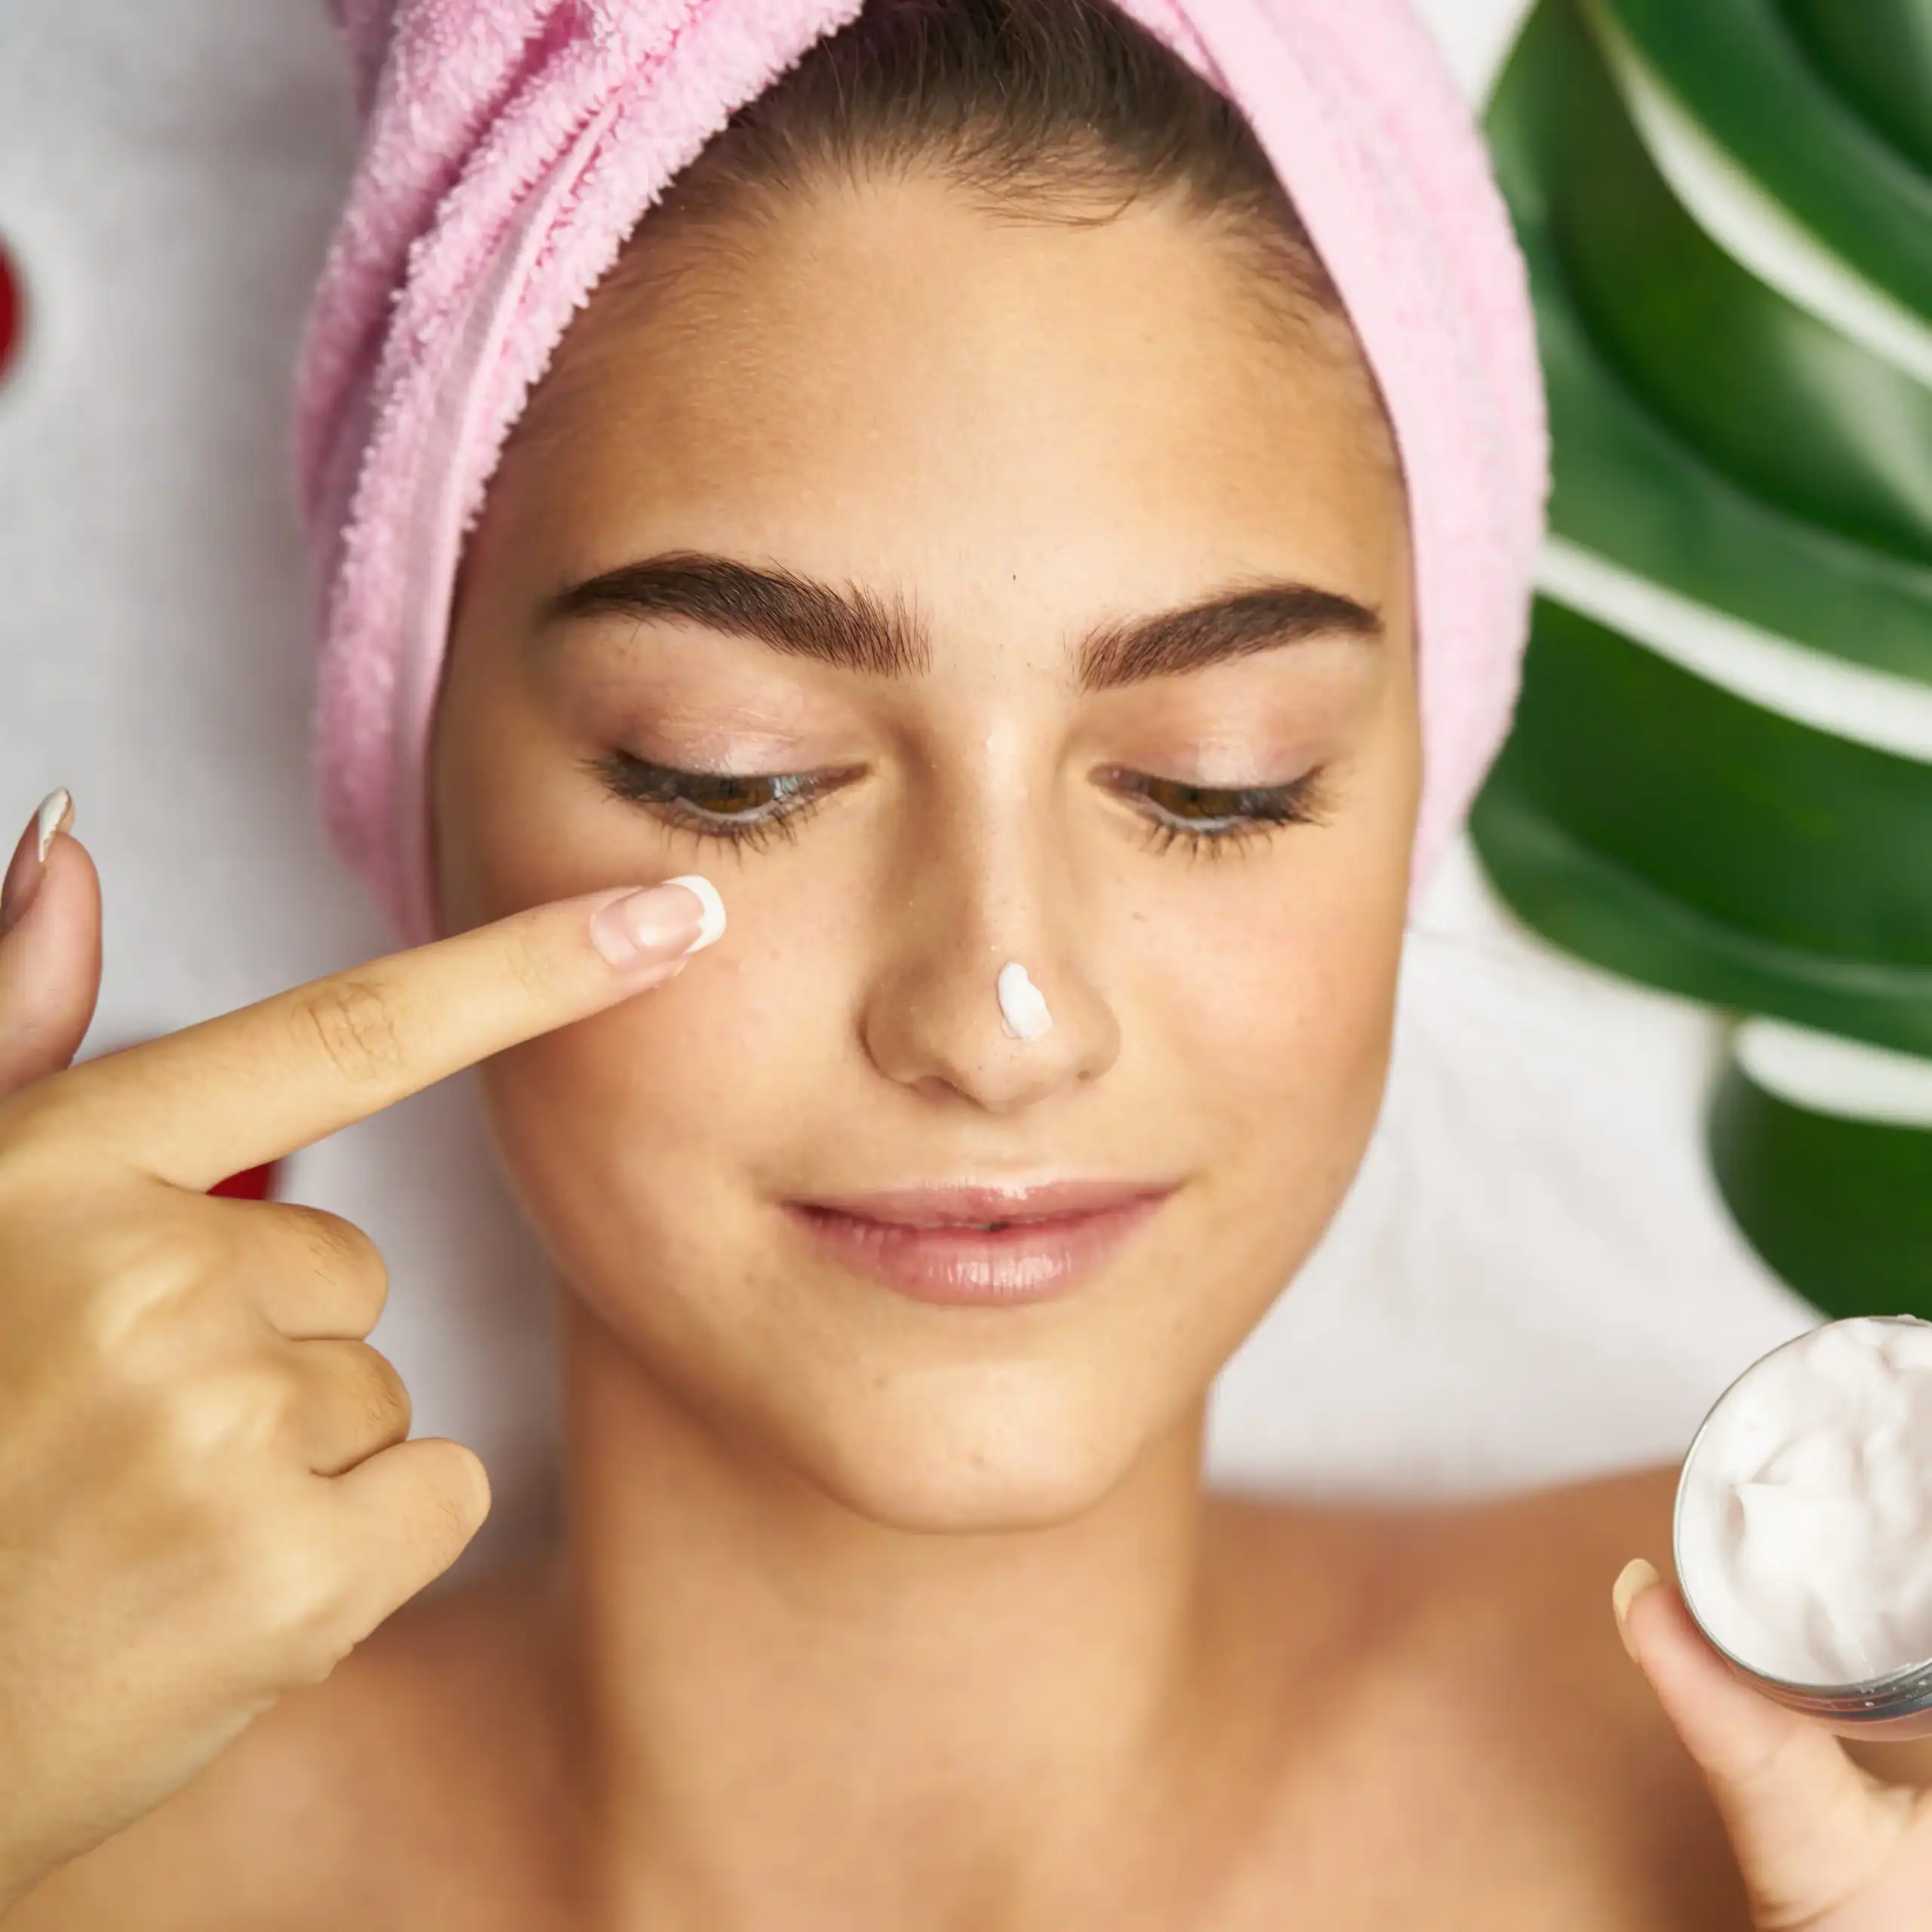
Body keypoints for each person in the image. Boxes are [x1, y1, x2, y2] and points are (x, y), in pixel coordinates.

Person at [2, 0, 1930, 1923]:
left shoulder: (1842, 1743)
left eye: (1216, 783)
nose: (998, 1020)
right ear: (413, 774)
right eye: (734, 773)